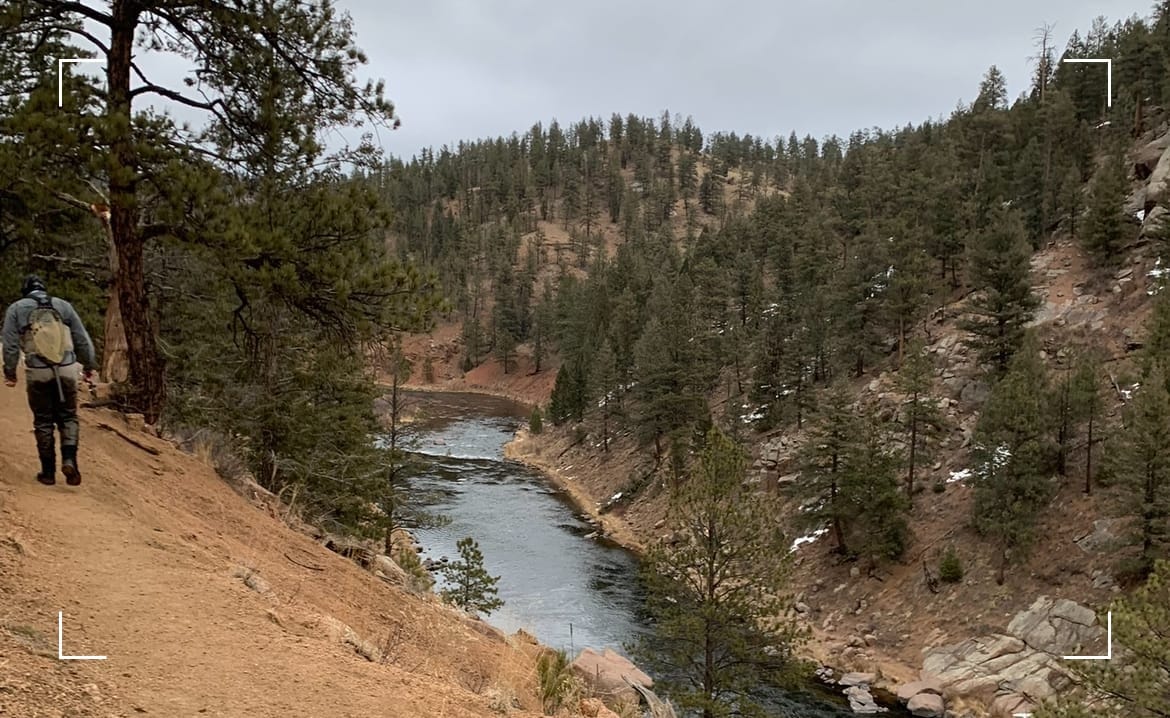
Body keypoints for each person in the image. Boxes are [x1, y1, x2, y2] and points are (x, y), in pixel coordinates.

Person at [2, 275, 97, 486]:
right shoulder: (63, 306)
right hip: (67, 370)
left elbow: (9, 345)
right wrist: (89, 365)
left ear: (25, 292)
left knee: (43, 420)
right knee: (69, 417)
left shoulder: (16, 309)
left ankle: (48, 472)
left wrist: (10, 372)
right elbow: (82, 339)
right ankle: (70, 459)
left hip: (38, 371)